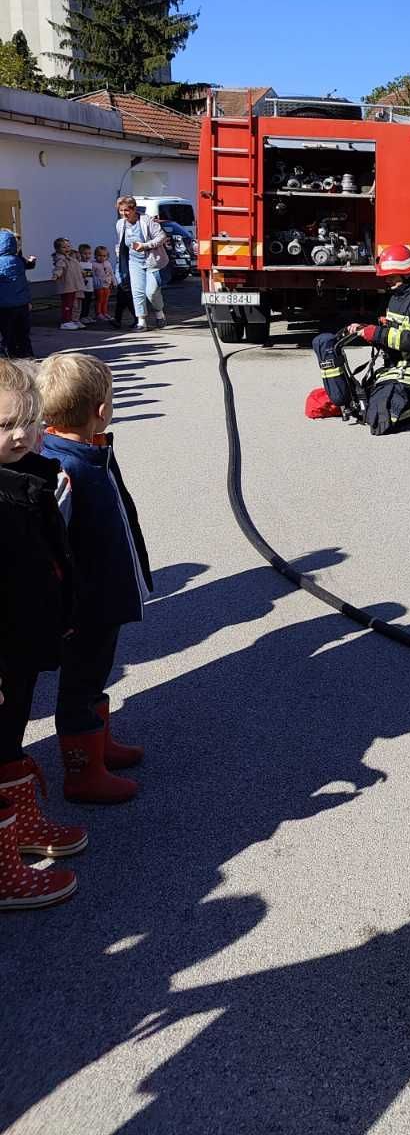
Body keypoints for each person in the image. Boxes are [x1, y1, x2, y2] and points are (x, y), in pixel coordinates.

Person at [39, 353, 150, 803]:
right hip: (87, 602)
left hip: (101, 595)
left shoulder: (88, 451)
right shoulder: (66, 467)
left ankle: (99, 743)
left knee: (96, 671)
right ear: (101, 408)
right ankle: (82, 773)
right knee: (81, 680)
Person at [0, 358, 86, 909]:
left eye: (31, 419)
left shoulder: (31, 474)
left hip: (23, 638)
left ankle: (21, 823)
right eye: (7, 423)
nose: (21, 433)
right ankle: (4, 868)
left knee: (9, 738)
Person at [313, 247, 410, 433]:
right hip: (394, 371)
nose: (387, 280)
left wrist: (377, 334)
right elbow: (393, 336)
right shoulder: (398, 297)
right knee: (360, 404)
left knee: (379, 418)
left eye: (391, 275)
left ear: (406, 273)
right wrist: (365, 331)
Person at [114, 197, 168, 331]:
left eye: (126, 210)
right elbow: (122, 242)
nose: (123, 214)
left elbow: (161, 236)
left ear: (133, 209)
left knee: (151, 292)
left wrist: (145, 246)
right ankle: (141, 321)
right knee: (137, 291)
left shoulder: (146, 220)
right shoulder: (120, 224)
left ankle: (159, 312)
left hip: (151, 261)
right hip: (134, 262)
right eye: (121, 211)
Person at [0, 229, 36, 358]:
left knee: (8, 334)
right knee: (23, 333)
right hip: (22, 304)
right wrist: (32, 260)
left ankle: (11, 357)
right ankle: (28, 355)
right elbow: (30, 265)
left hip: (4, 307)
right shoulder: (18, 261)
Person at [52, 238, 85, 331]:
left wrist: (83, 273)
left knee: (75, 303)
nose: (67, 248)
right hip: (67, 286)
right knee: (68, 304)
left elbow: (77, 267)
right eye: (64, 247)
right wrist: (56, 275)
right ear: (58, 249)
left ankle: (73, 320)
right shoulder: (61, 258)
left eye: (68, 246)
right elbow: (59, 268)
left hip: (74, 285)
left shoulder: (71, 258)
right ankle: (65, 321)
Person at [91, 245, 114, 324]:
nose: (102, 257)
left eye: (104, 256)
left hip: (107, 285)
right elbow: (92, 275)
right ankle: (98, 313)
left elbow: (111, 273)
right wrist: (94, 283)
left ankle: (104, 312)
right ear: (95, 255)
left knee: (105, 300)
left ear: (107, 256)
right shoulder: (93, 264)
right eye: (99, 255)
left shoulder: (108, 263)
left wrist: (114, 282)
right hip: (98, 285)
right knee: (99, 299)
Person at [77, 245, 96, 326]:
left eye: (89, 253)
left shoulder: (90, 264)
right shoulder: (79, 264)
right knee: (83, 303)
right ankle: (82, 316)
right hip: (83, 288)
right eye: (85, 254)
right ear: (80, 254)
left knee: (88, 302)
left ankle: (86, 315)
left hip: (90, 287)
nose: (87, 256)